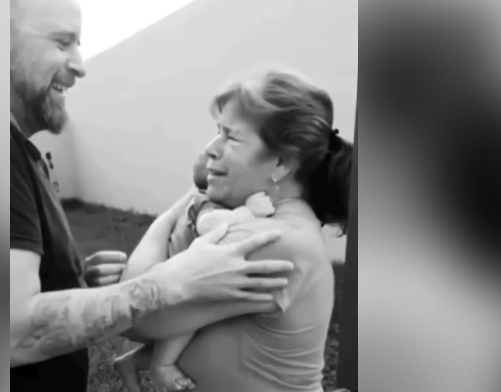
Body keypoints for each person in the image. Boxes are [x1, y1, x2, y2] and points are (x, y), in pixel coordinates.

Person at [9, 1, 296, 392]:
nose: (80, 64)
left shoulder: (19, 154)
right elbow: (9, 330)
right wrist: (170, 284)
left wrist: (68, 280)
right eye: (62, 43)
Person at [119, 67, 354, 392]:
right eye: (218, 131)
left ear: (281, 163)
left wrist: (170, 216)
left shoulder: (269, 241)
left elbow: (131, 313)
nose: (211, 148)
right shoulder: (268, 225)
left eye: (230, 136)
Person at [114, 157, 278, 391]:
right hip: (174, 283)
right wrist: (248, 211)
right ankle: (162, 365)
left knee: (197, 331)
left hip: (174, 278)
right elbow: (209, 225)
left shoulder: (211, 198)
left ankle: (132, 362)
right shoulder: (206, 201)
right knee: (192, 316)